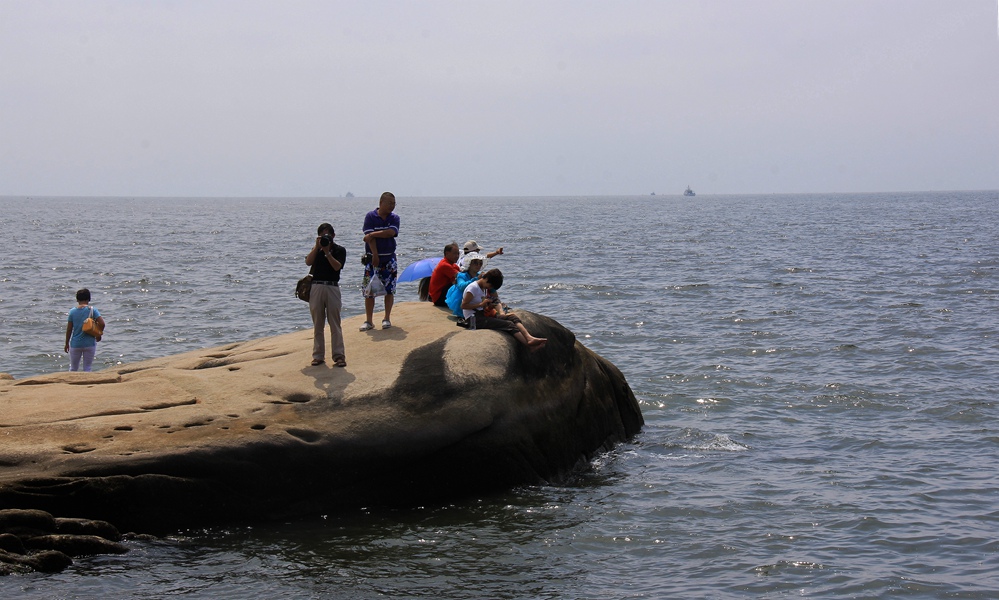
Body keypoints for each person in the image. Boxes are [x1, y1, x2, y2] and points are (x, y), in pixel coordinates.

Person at [461, 269, 546, 351]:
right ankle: (529, 346)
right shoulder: (473, 288)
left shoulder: (483, 287)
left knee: (512, 317)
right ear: (486, 279)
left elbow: (482, 304)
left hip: (482, 314)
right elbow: (463, 306)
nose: (490, 288)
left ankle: (528, 337)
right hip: (474, 318)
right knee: (508, 324)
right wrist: (481, 304)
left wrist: (489, 306)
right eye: (490, 285)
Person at [305, 223, 347, 367]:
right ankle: (318, 356)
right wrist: (317, 248)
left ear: (333, 236)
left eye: (328, 235)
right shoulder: (316, 250)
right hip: (316, 286)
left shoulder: (339, 250)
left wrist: (328, 252)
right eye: (322, 236)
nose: (325, 238)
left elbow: (337, 267)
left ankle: (339, 356)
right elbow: (308, 262)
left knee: (335, 323)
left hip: (332, 287)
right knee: (318, 324)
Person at [360, 192, 400, 331]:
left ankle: (387, 318)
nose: (392, 206)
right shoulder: (370, 216)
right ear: (381, 202)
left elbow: (391, 232)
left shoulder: (394, 218)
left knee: (390, 290)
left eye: (394, 203)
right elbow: (370, 240)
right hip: (372, 259)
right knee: (369, 290)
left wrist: (372, 234)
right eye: (390, 203)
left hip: (389, 258)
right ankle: (369, 320)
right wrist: (375, 254)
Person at [64, 288, 106, 372]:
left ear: (77, 299)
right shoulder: (92, 310)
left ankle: (71, 384)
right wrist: (98, 334)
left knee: (73, 368)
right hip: (89, 343)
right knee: (87, 368)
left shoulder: (72, 312)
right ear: (89, 299)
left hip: (76, 343)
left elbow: (69, 329)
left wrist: (66, 343)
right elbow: (102, 323)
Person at [446, 254, 483, 319]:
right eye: (475, 263)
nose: (478, 265)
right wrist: (476, 279)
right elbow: (462, 286)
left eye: (480, 263)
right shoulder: (462, 275)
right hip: (462, 297)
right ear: (469, 264)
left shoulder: (480, 275)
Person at [427, 242, 461, 307]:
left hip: (442, 294)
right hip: (439, 298)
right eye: (454, 254)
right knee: (458, 285)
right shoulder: (445, 265)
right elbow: (461, 276)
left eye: (458, 254)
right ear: (447, 254)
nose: (457, 256)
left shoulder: (453, 265)